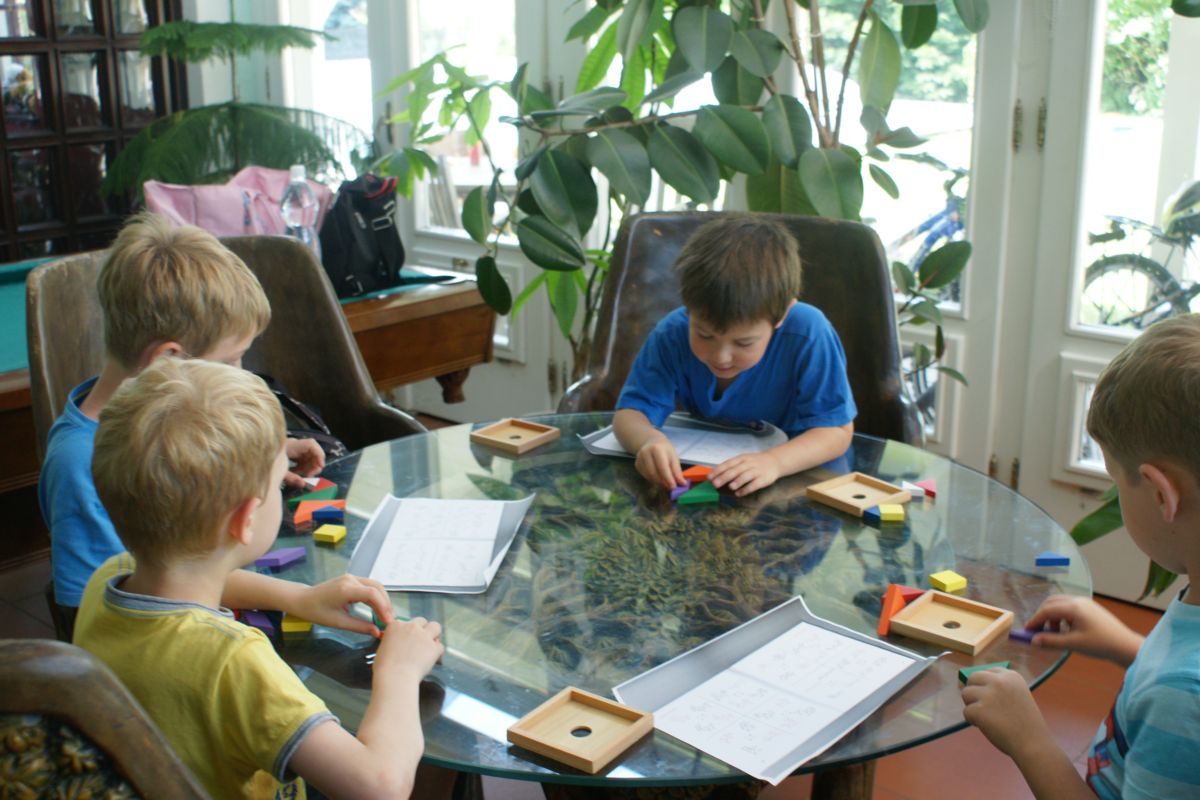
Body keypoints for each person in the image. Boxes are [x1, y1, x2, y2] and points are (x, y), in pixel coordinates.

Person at [75, 358, 444, 798]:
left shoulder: (107, 579)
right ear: (247, 518)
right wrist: (399, 672)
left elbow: (184, 578)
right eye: (278, 484)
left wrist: (298, 598)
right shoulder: (233, 662)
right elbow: (380, 787)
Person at [38, 213, 326, 622]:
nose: (242, 373)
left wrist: (260, 460)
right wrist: (292, 597)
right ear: (169, 360)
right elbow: (103, 607)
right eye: (231, 359)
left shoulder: (163, 420)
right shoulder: (77, 463)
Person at [961, 313, 1200, 799]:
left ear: (1161, 493)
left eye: (1116, 481)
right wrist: (1127, 647)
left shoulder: (1181, 697)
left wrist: (1029, 740)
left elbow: (1183, 695)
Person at [613, 214, 856, 497]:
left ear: (781, 315)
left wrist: (774, 462)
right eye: (704, 335)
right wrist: (647, 441)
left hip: (794, 485)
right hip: (709, 482)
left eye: (744, 343)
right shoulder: (672, 332)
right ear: (689, 307)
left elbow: (836, 432)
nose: (721, 357)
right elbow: (630, 413)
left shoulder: (809, 333)